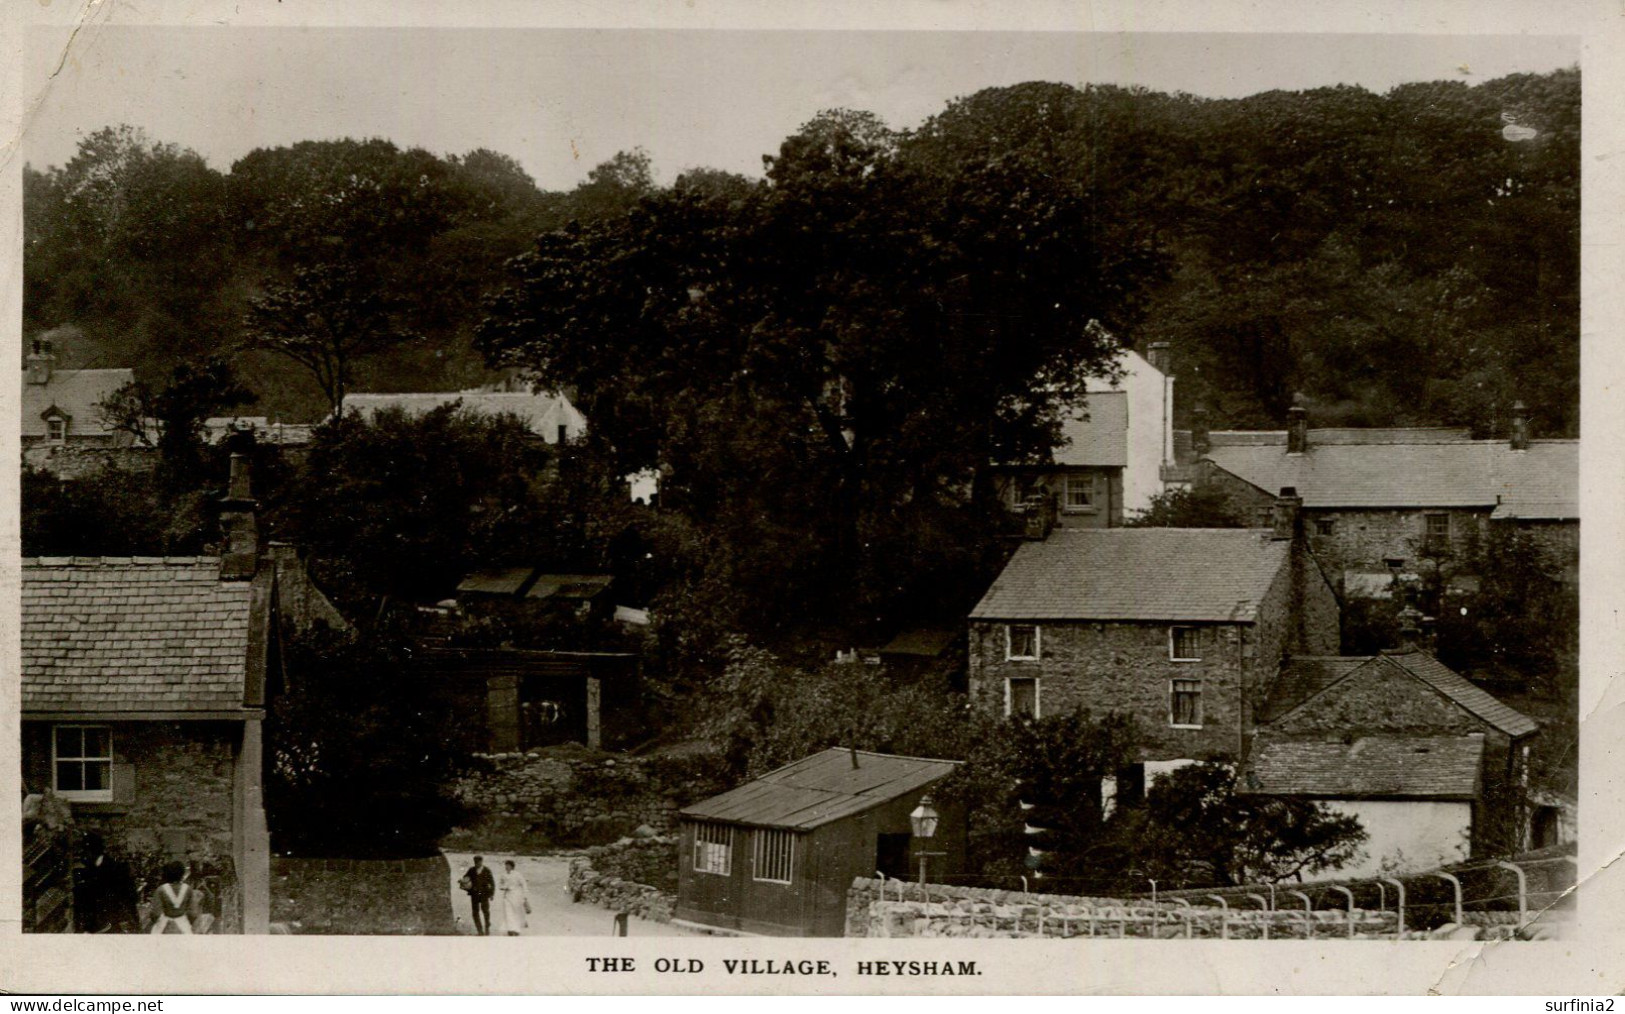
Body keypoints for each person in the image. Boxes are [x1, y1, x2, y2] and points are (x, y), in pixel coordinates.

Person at [148, 862, 197, 934]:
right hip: (183, 925)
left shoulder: (161, 889)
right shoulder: (188, 889)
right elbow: (193, 913)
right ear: (182, 873)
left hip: (164, 925)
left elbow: (155, 913)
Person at [460, 855, 496, 935]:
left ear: (481, 862)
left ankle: (487, 927)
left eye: (478, 862)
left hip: (484, 894)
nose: (477, 864)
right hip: (474, 894)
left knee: (485, 911)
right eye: (475, 862)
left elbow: (492, 883)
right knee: (475, 912)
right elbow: (465, 878)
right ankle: (479, 930)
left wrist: (492, 894)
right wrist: (463, 881)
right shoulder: (471, 870)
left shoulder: (487, 870)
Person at [497, 859, 529, 936]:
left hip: (517, 896)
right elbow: (500, 885)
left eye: (508, 865)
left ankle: (517, 929)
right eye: (506, 865)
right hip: (507, 896)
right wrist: (504, 887)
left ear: (512, 866)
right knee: (508, 913)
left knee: (517, 913)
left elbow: (524, 884)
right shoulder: (503, 875)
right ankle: (510, 929)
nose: (506, 867)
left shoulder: (517, 874)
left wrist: (525, 896)